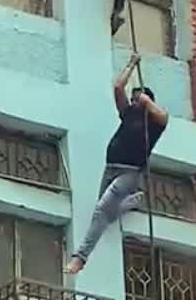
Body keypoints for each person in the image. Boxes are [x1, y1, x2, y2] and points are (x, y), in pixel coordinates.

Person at [66, 53, 166, 274]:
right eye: (134, 99)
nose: (134, 101)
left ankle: (80, 258)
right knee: (105, 212)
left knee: (102, 210)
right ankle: (134, 201)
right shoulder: (128, 113)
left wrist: (146, 101)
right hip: (110, 167)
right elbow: (118, 89)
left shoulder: (154, 125)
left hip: (129, 174)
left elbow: (163, 116)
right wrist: (131, 64)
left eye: (137, 99)